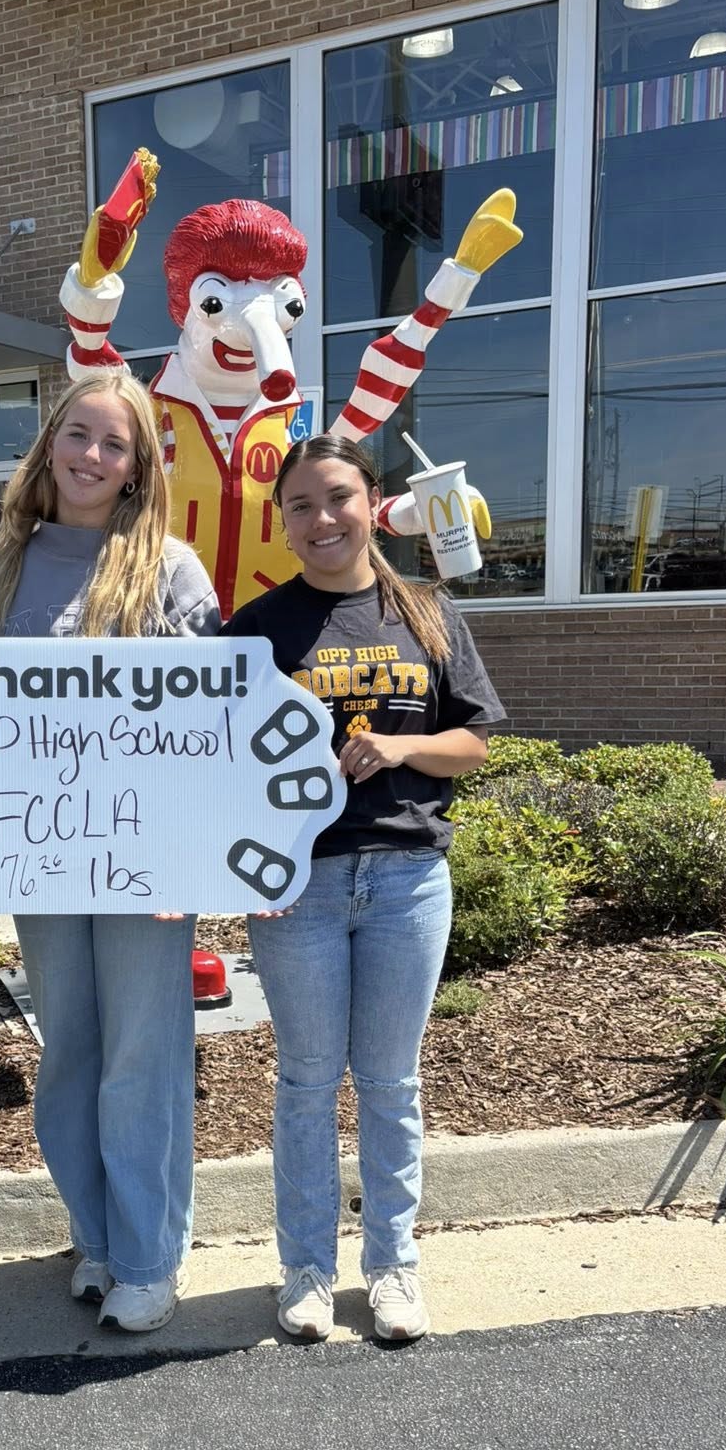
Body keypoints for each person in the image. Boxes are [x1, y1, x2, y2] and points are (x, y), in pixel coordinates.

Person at [0, 372, 220, 1333]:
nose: (92, 457)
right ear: (49, 444)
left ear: (140, 464)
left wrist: (193, 856)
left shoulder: (171, 572)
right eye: (79, 435)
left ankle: (151, 1254)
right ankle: (97, 1239)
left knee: (143, 1055)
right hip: (41, 858)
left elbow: (209, 731)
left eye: (115, 444)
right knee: (70, 1051)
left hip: (150, 867)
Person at [224, 434, 504, 1345]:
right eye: (300, 505)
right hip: (298, 888)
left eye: (337, 497)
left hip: (407, 880)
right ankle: (305, 1269)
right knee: (306, 1082)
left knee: (389, 1082)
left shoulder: (425, 614)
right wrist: (244, 862)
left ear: (371, 501)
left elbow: (473, 744)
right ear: (284, 521)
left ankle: (393, 1269)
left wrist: (401, 746)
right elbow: (215, 765)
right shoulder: (259, 631)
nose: (321, 519)